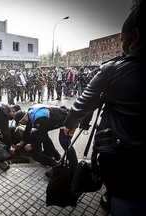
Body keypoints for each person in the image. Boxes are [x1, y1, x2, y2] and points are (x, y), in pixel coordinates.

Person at [62, 1, 146, 214]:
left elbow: (80, 107)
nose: (120, 43)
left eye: (121, 38)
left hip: (131, 173)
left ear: (134, 36)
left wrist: (69, 126)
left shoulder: (114, 70)